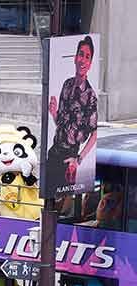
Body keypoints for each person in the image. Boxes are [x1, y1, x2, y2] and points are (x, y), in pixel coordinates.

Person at [47, 35, 97, 194]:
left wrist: (79, 159)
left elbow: (94, 133)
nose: (83, 60)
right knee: (48, 196)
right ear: (75, 58)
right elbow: (62, 124)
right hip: (53, 153)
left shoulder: (90, 96)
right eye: (81, 54)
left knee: (63, 202)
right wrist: (54, 114)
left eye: (87, 57)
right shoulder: (67, 84)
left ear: (90, 64)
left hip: (69, 159)